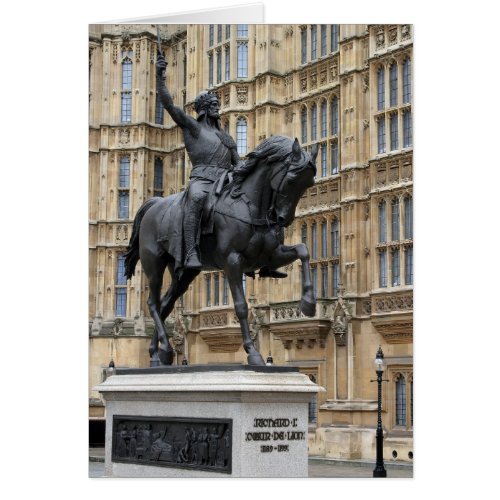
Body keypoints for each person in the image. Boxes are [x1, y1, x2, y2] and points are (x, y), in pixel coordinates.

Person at [156, 53, 286, 278]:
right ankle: (191, 252)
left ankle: (266, 257)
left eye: (218, 105)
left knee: (260, 204)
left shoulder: (226, 138)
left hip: (225, 183)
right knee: (195, 199)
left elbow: (239, 165)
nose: (218, 109)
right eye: (214, 105)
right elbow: (169, 105)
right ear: (205, 108)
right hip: (202, 181)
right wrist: (160, 76)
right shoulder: (194, 128)